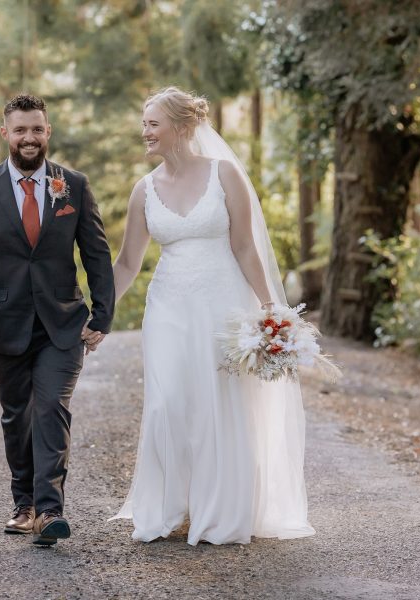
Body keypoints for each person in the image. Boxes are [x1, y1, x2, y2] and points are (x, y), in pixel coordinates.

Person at [109, 87, 315, 545]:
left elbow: (244, 246)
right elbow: (126, 264)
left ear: (182, 128)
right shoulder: (143, 190)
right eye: (143, 123)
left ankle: (219, 512)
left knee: (219, 404)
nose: (144, 132)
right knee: (168, 403)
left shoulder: (225, 175)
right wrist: (98, 313)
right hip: (167, 306)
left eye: (152, 123)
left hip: (223, 302)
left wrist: (269, 310)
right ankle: (169, 508)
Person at [0, 94, 115, 546]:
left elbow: (96, 253)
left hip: (63, 324)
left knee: (51, 409)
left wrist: (104, 312)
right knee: (15, 416)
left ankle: (48, 510)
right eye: (20, 130)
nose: (29, 138)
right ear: (5, 133)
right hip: (3, 322)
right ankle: (23, 503)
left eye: (37, 129)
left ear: (48, 132)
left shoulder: (73, 185)